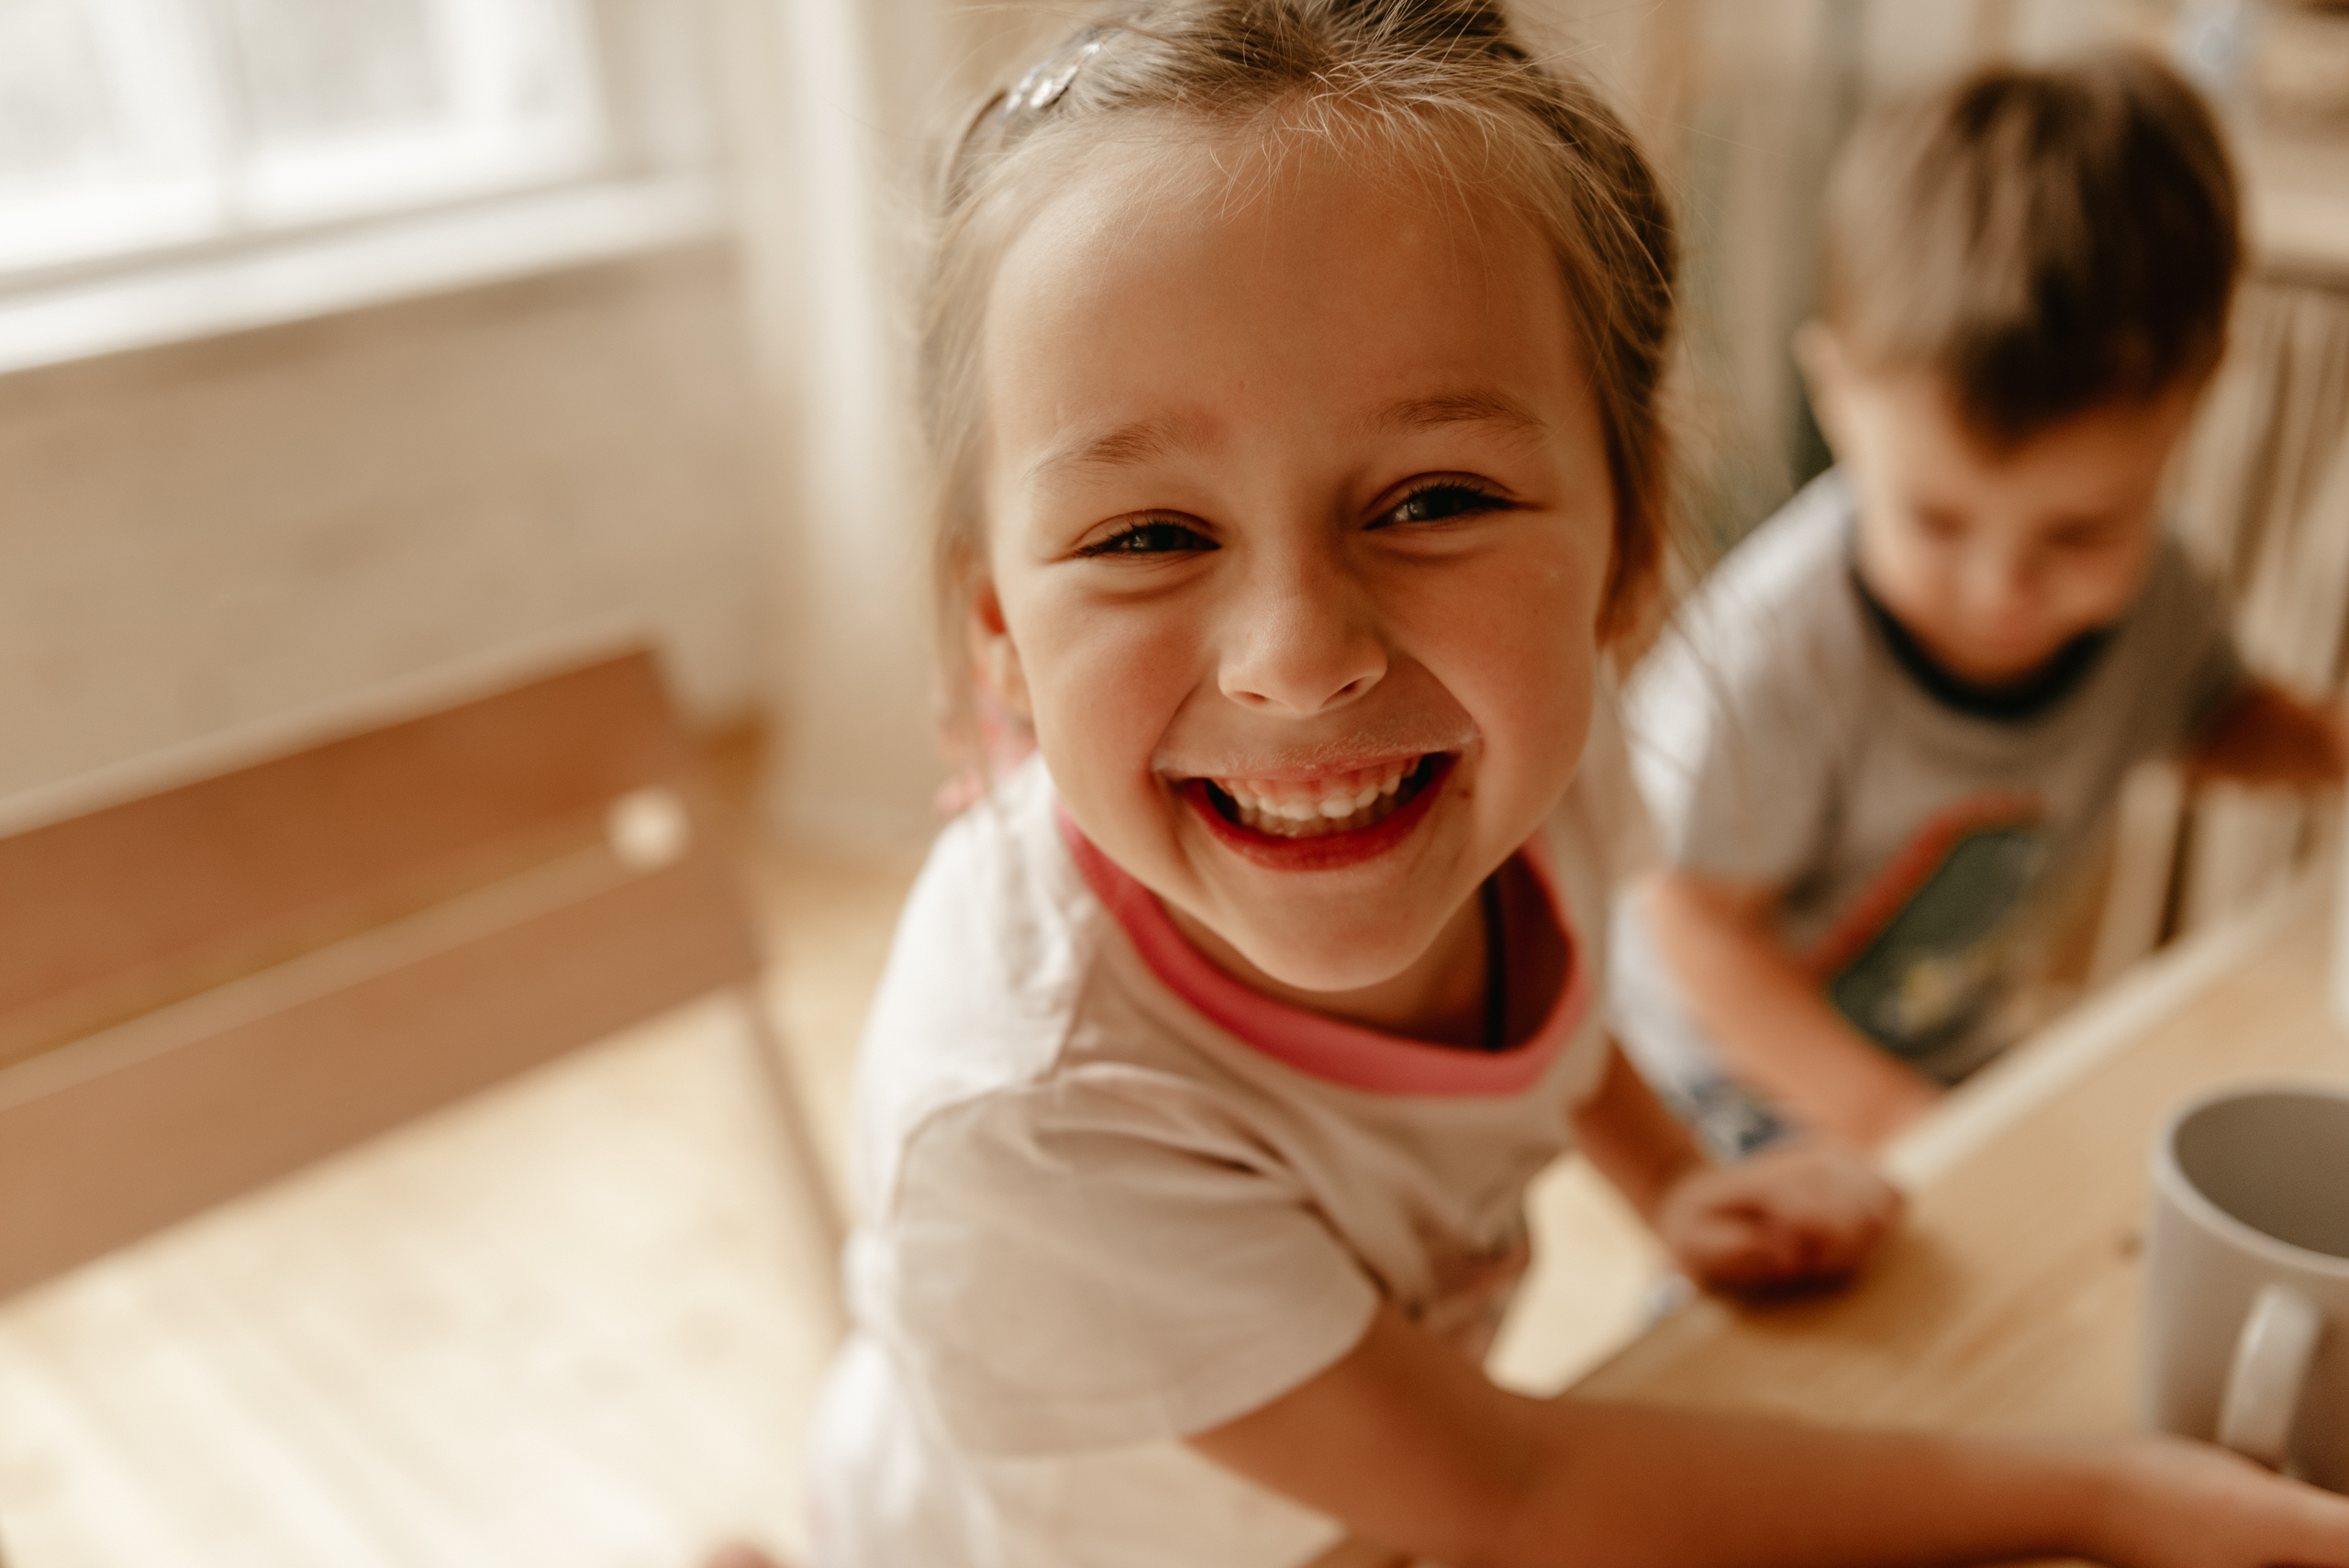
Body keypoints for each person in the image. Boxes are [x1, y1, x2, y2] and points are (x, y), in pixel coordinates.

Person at [801, 6, 2349, 1564]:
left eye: (1435, 498)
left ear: (1623, 543)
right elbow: (1520, 1492)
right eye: (1148, 534)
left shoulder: (1531, 738)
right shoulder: (1028, 1118)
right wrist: (2103, 1491)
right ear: (1000, 620)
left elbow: (1550, 974)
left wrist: (1668, 1176)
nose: (1298, 658)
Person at [1615, 51, 2349, 1160]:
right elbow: (1696, 932)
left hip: (1939, 1037)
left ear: (2191, 406)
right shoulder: (1781, 654)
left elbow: (2204, 715)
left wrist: (2323, 746)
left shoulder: (2162, 594)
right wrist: (1900, 1127)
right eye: (1938, 520)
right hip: (1721, 1064)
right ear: (1838, 394)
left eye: (2082, 530)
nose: (2004, 590)